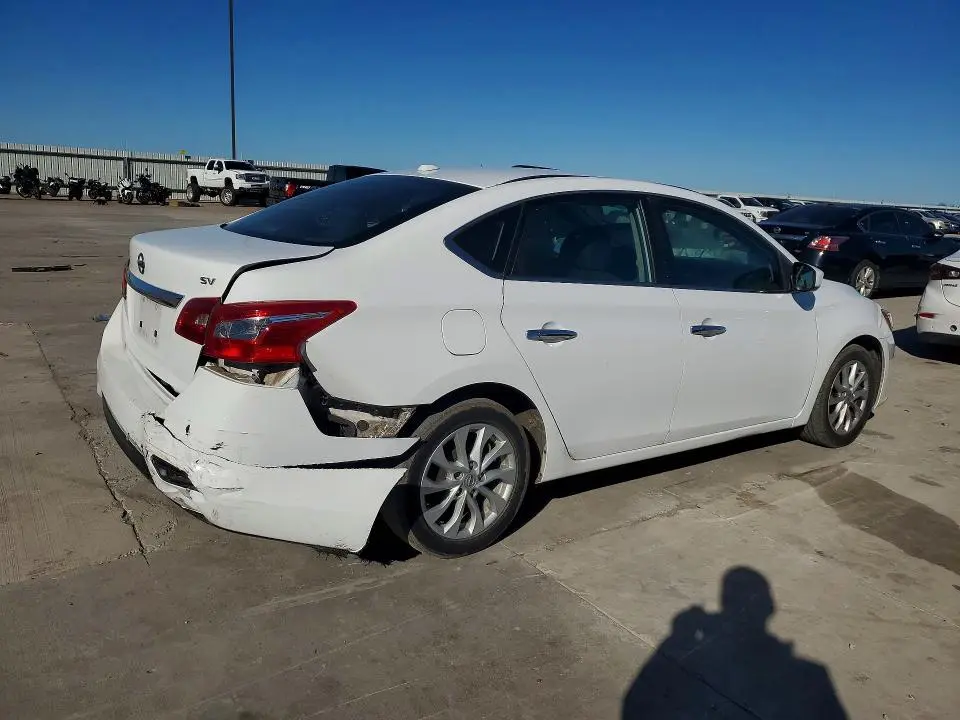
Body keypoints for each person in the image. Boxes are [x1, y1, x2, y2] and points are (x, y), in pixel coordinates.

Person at [622, 566, 848, 719]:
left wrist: (678, 637)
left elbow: (635, 706)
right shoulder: (813, 676)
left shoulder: (812, 676)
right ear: (770, 607)